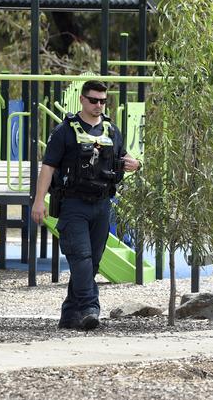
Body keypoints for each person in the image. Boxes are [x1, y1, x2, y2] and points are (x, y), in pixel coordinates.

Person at [31, 80, 141, 330]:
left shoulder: (112, 130)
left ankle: (70, 315)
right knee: (80, 257)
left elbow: (124, 157)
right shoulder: (64, 131)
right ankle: (91, 307)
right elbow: (48, 167)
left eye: (103, 101)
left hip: (102, 205)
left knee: (92, 262)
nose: (98, 105)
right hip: (73, 205)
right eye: (93, 100)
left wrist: (136, 164)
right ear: (82, 99)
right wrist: (38, 201)